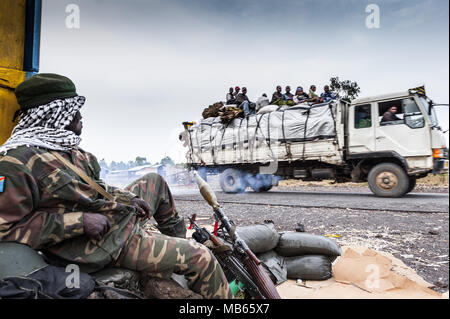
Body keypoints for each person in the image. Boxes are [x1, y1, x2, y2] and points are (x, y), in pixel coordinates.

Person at [0, 73, 232, 299]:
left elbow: (96, 190)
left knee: (155, 181)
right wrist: (78, 223)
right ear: (53, 114)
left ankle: (174, 243)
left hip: (111, 223)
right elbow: (6, 229)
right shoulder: (16, 163)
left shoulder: (73, 152)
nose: (80, 116)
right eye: (72, 110)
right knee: (201, 256)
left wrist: (126, 199)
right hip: (96, 245)